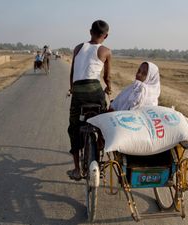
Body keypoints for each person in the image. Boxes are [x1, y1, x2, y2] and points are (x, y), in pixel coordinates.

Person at [67, 20, 112, 181]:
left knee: (74, 128)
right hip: (95, 91)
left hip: (78, 93)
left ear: (90, 32)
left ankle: (77, 170)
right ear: (105, 36)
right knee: (102, 119)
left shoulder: (78, 48)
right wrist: (109, 87)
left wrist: (72, 89)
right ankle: (100, 143)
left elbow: (72, 73)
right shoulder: (106, 51)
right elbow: (106, 77)